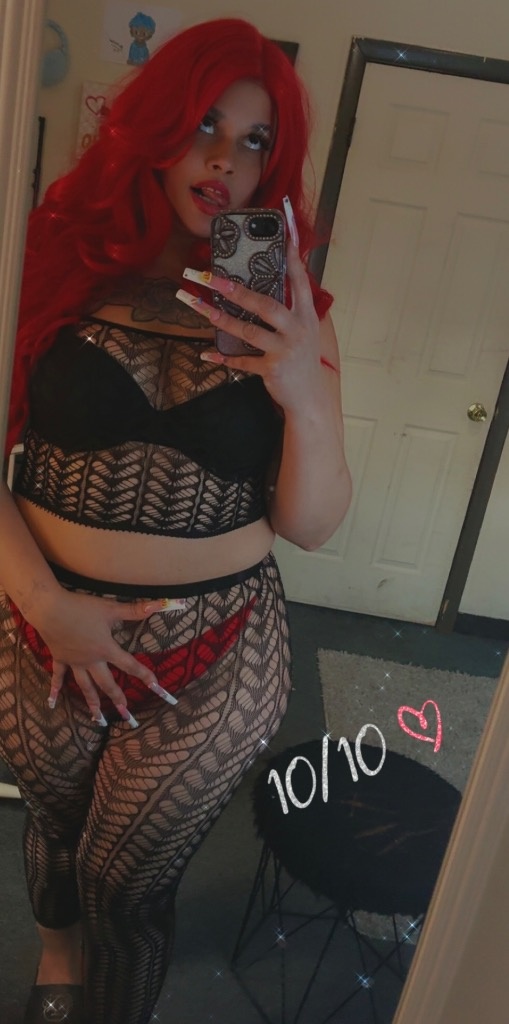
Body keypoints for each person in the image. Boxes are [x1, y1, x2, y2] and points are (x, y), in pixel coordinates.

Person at [0, 17, 351, 1024]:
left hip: (216, 648)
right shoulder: (46, 264)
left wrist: (304, 390)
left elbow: (312, 524)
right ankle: (56, 957)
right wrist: (48, 606)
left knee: (127, 881)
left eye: (254, 141)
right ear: (151, 128)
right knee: (56, 828)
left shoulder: (289, 314)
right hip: (42, 621)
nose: (224, 159)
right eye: (204, 123)